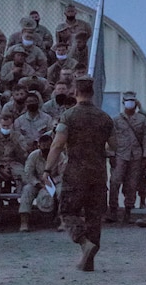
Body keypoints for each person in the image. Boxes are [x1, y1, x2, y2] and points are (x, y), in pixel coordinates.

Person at [44, 75, 115, 272]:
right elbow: (114, 146)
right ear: (92, 93)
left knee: (67, 212)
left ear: (75, 92)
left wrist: (47, 169)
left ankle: (84, 243)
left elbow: (57, 145)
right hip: (98, 173)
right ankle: (88, 260)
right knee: (94, 216)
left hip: (75, 172)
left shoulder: (68, 116)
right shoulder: (105, 118)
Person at [107, 90, 146, 224]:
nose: (129, 103)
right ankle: (113, 210)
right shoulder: (116, 120)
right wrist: (111, 154)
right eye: (127, 101)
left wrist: (145, 156)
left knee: (132, 184)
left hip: (136, 155)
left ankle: (128, 210)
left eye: (132, 101)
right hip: (120, 154)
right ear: (123, 102)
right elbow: (111, 138)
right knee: (115, 182)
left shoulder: (142, 119)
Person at [18, 133, 65, 232]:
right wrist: (38, 184)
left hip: (55, 181)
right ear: (39, 146)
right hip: (38, 182)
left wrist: (53, 182)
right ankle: (24, 222)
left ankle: (63, 220)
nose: (46, 149)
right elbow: (28, 173)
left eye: (48, 146)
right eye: (43, 146)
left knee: (62, 191)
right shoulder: (33, 156)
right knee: (27, 190)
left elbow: (63, 174)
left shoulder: (60, 156)